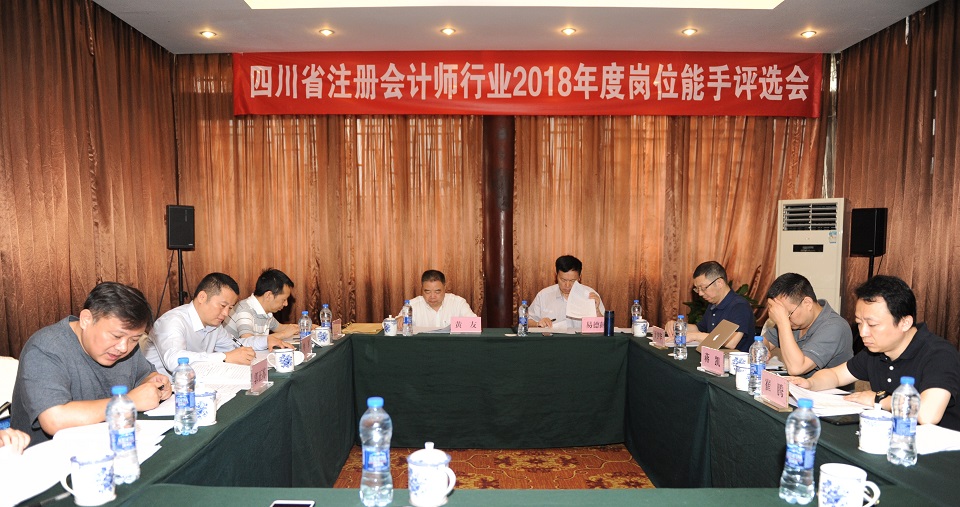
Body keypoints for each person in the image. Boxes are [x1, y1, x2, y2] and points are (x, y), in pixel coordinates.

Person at [790, 275, 960, 431]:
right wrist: (810, 383)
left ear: (905, 323)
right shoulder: (875, 351)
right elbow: (835, 375)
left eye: (872, 325)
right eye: (859, 323)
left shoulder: (939, 354)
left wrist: (878, 399)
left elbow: (928, 414)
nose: (863, 332)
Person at [10, 282, 171, 446]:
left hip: (112, 442)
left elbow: (144, 376)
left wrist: (154, 382)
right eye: (116, 336)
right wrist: (128, 402)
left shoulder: (125, 345)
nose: (123, 347)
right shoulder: (46, 348)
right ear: (86, 320)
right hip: (53, 454)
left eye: (134, 339)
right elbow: (54, 419)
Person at [142, 272, 255, 376]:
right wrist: (224, 357)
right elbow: (174, 360)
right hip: (166, 388)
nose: (226, 313)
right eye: (222, 305)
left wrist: (263, 341)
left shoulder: (214, 325)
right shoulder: (173, 321)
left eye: (230, 308)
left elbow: (236, 345)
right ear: (202, 297)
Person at [762, 273, 853, 377]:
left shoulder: (835, 327)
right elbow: (764, 341)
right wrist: (763, 349)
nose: (786, 319)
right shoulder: (795, 322)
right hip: (796, 385)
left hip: (826, 388)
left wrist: (783, 322)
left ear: (807, 303)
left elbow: (796, 368)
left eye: (788, 314)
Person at [666, 261, 755, 352]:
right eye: (697, 289)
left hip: (735, 360)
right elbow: (699, 328)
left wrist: (695, 336)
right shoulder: (713, 304)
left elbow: (731, 342)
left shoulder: (739, 306)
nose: (700, 293)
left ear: (719, 283)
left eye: (703, 288)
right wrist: (678, 326)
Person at [223, 268, 297, 350]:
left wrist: (304, 327)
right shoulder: (244, 310)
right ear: (268, 295)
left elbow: (280, 328)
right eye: (284, 299)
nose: (286, 304)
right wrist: (284, 334)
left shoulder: (265, 312)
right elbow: (248, 342)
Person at [528, 255, 604, 329]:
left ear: (579, 277)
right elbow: (526, 321)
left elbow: (605, 326)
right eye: (563, 280)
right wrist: (538, 323)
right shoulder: (544, 295)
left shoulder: (590, 295)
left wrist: (597, 311)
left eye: (572, 281)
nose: (567, 285)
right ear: (556, 275)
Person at [400, 270, 477, 328]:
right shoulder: (411, 306)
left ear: (445, 288)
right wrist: (399, 322)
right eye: (427, 291)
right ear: (422, 289)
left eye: (437, 291)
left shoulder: (458, 303)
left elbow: (474, 324)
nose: (432, 296)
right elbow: (398, 323)